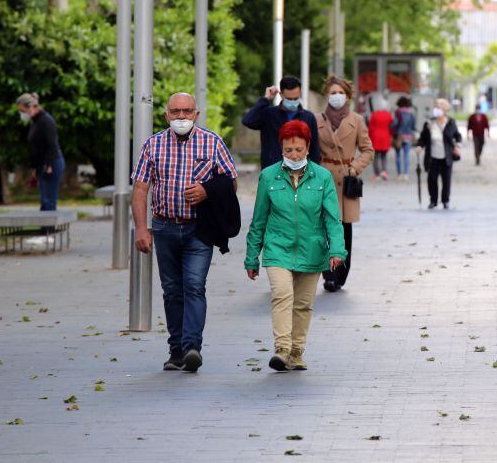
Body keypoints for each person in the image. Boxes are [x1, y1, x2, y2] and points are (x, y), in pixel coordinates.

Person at [131, 92, 238, 372]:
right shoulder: (152, 145)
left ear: (196, 114)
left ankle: (192, 347)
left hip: (198, 229)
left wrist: (207, 190)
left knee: (193, 285)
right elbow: (140, 190)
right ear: (166, 114)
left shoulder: (212, 142)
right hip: (165, 226)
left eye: (187, 111)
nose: (181, 117)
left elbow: (231, 182)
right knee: (172, 291)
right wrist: (142, 228)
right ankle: (176, 349)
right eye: (176, 111)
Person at [245, 121, 345, 372]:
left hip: (312, 249)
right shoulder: (268, 176)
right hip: (278, 248)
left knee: (303, 304)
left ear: (308, 148)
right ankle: (281, 349)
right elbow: (258, 220)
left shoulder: (322, 177)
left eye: (299, 150)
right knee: (282, 295)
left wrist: (337, 250)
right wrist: (251, 257)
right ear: (281, 149)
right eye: (289, 150)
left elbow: (332, 218)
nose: (294, 155)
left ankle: (297, 352)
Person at [315, 76, 374, 292]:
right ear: (326, 95)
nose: (336, 96)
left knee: (344, 228)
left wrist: (355, 167)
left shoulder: (356, 120)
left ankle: (340, 273)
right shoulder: (316, 120)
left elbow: (368, 149)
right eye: (333, 92)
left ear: (347, 96)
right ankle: (328, 274)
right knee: (323, 227)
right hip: (323, 178)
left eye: (341, 93)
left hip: (345, 179)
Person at [242, 76, 321, 169]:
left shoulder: (308, 117)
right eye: (289, 99)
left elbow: (314, 149)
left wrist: (314, 174)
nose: (292, 102)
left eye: (295, 98)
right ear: (281, 94)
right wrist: (266, 99)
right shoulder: (269, 114)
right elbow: (248, 120)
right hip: (273, 171)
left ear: (300, 93)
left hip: (301, 171)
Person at [15, 93, 64, 211]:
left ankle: (49, 228)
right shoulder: (35, 121)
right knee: (44, 200)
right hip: (42, 165)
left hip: (51, 164)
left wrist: (49, 165)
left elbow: (51, 144)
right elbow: (36, 147)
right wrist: (34, 168)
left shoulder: (46, 121)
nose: (22, 114)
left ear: (31, 107)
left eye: (23, 111)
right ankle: (45, 228)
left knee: (48, 201)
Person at [417, 98, 462, 209]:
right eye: (435, 107)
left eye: (438, 107)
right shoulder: (429, 123)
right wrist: (419, 146)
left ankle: (445, 201)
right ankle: (433, 200)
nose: (436, 109)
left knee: (446, 180)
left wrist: (457, 146)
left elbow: (458, 136)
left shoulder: (451, 122)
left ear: (444, 109)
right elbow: (422, 138)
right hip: (432, 156)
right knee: (432, 179)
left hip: (447, 156)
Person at [367, 95, 393, 181]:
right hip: (385, 137)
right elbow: (391, 126)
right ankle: (384, 171)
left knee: (376, 157)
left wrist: (369, 138)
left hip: (376, 137)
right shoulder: (388, 115)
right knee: (384, 156)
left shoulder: (374, 115)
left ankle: (377, 174)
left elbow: (370, 128)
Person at [392, 96, 417, 181]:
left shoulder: (398, 112)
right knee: (406, 156)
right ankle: (406, 174)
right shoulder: (411, 113)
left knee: (398, 155)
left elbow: (394, 123)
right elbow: (414, 126)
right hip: (408, 136)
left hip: (399, 136)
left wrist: (391, 128)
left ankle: (399, 174)